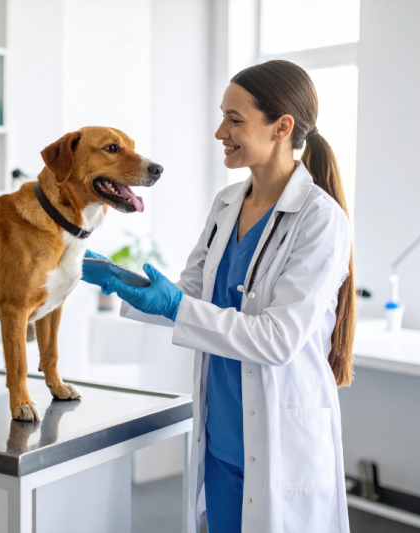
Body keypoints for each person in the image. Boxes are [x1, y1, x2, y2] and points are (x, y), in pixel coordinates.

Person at [83, 60, 355, 533]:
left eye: (234, 119)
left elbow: (277, 339)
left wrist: (175, 306)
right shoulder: (228, 203)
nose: (219, 132)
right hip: (222, 436)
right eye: (221, 116)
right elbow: (191, 294)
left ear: (281, 127)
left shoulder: (320, 219)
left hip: (278, 439)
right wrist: (122, 281)